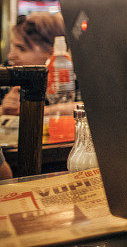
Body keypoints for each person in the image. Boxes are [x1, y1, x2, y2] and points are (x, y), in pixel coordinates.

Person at [0, 14, 77, 179]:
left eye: (21, 48)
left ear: (51, 53)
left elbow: (83, 107)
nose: (11, 56)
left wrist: (29, 110)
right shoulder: (8, 76)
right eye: (12, 47)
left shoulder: (70, 74)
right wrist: (4, 109)